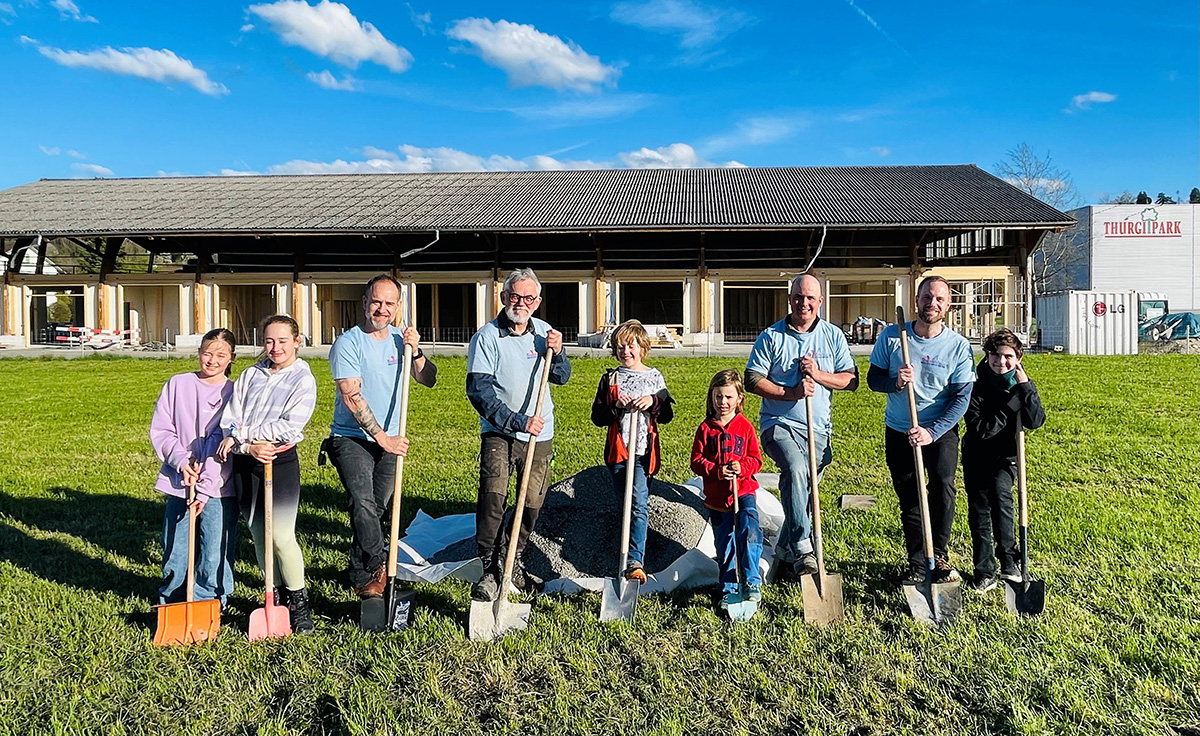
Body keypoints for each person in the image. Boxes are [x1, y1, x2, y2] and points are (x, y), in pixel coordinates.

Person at [326, 275, 437, 599]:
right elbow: (351, 396)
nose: (382, 309)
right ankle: (378, 566)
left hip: (391, 436)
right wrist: (382, 438)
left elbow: (428, 379)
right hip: (353, 437)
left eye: (389, 303)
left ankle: (359, 574)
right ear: (364, 303)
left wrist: (415, 351)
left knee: (375, 510)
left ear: (398, 307)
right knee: (362, 502)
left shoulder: (400, 342)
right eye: (376, 302)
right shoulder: (348, 343)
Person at [466, 268, 571, 601]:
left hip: (540, 434)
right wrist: (516, 421)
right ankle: (490, 568)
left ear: (537, 302)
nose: (520, 303)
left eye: (528, 298)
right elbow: (479, 392)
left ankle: (515, 558)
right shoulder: (486, 337)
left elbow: (562, 376)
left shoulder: (544, 333)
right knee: (493, 497)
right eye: (515, 296)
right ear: (503, 297)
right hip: (500, 432)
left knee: (532, 501)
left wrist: (560, 352)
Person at [745, 274, 857, 580]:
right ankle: (806, 551)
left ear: (820, 301)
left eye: (810, 298)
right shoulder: (771, 336)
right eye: (798, 296)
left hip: (818, 429)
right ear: (789, 298)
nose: (803, 303)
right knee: (795, 470)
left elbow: (851, 379)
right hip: (778, 424)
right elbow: (752, 379)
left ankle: (783, 554)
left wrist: (818, 375)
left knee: (803, 495)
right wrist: (790, 393)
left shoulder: (833, 336)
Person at [867, 276, 975, 584]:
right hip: (900, 429)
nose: (933, 303)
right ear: (917, 300)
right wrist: (896, 381)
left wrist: (932, 431)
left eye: (940, 299)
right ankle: (917, 562)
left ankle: (939, 556)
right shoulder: (892, 337)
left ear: (948, 305)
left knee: (942, 488)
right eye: (927, 297)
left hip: (940, 431)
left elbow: (961, 398)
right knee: (911, 497)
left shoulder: (957, 347)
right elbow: (874, 380)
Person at [217, 315, 318, 633]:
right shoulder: (250, 375)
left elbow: (289, 426)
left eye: (282, 341)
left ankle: (298, 601)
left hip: (280, 461)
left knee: (282, 536)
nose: (275, 347)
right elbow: (229, 419)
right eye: (269, 341)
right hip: (246, 461)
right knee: (259, 534)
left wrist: (243, 434)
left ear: (297, 341)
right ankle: (271, 594)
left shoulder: (303, 379)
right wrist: (245, 445)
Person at [149, 328, 238, 609]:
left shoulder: (233, 392)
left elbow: (221, 441)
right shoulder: (178, 384)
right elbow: (162, 429)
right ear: (199, 353)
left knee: (214, 549)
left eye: (220, 355)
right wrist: (181, 462)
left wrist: (204, 486)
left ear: (231, 358)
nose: (212, 360)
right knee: (176, 545)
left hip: (218, 486)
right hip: (179, 481)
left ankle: (211, 601)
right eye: (207, 353)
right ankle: (173, 599)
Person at [589, 319, 674, 584]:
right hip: (617, 451)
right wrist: (615, 405)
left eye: (631, 346)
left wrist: (652, 401)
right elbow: (597, 416)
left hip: (643, 452)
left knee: (638, 503)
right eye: (620, 347)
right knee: (625, 504)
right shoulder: (610, 378)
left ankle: (635, 560)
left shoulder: (654, 377)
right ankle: (622, 548)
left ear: (643, 348)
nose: (626, 352)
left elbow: (668, 413)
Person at [962, 328, 1046, 593]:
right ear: (987, 356)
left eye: (1008, 356)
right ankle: (984, 571)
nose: (1001, 362)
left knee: (1001, 495)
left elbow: (1036, 421)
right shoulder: (975, 386)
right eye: (995, 356)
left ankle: (1010, 560)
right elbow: (983, 429)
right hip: (977, 454)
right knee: (979, 510)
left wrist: (1026, 388)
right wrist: (1011, 405)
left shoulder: (1022, 385)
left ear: (1018, 357)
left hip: (1007, 457)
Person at [691, 369, 764, 608]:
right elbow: (696, 460)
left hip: (744, 492)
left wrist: (741, 467)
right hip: (717, 497)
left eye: (729, 397)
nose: (723, 402)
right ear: (711, 397)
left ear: (740, 399)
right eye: (718, 397)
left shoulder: (745, 427)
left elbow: (756, 460)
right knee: (725, 543)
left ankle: (751, 580)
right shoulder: (706, 429)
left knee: (749, 532)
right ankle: (729, 586)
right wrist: (717, 470)